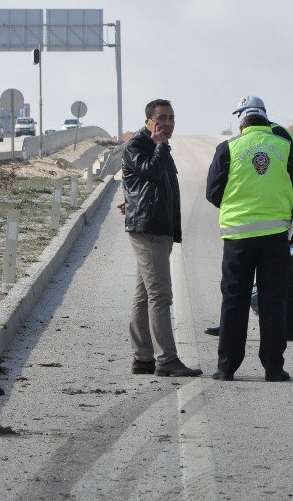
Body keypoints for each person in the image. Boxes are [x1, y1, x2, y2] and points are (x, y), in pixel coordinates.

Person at [206, 103, 293, 381]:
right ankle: (274, 368)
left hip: (237, 237)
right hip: (274, 236)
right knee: (272, 302)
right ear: (266, 119)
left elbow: (213, 192)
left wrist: (236, 207)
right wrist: (283, 206)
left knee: (234, 301)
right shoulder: (285, 145)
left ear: (242, 123)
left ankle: (226, 367)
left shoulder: (229, 147)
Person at [123, 99, 202, 378]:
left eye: (171, 118)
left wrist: (130, 200)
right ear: (148, 121)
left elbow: (139, 183)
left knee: (145, 293)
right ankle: (166, 359)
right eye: (161, 119)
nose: (167, 124)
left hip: (156, 226)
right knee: (160, 295)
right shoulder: (139, 144)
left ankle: (143, 357)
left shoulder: (155, 146)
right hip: (149, 229)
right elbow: (151, 173)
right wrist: (161, 146)